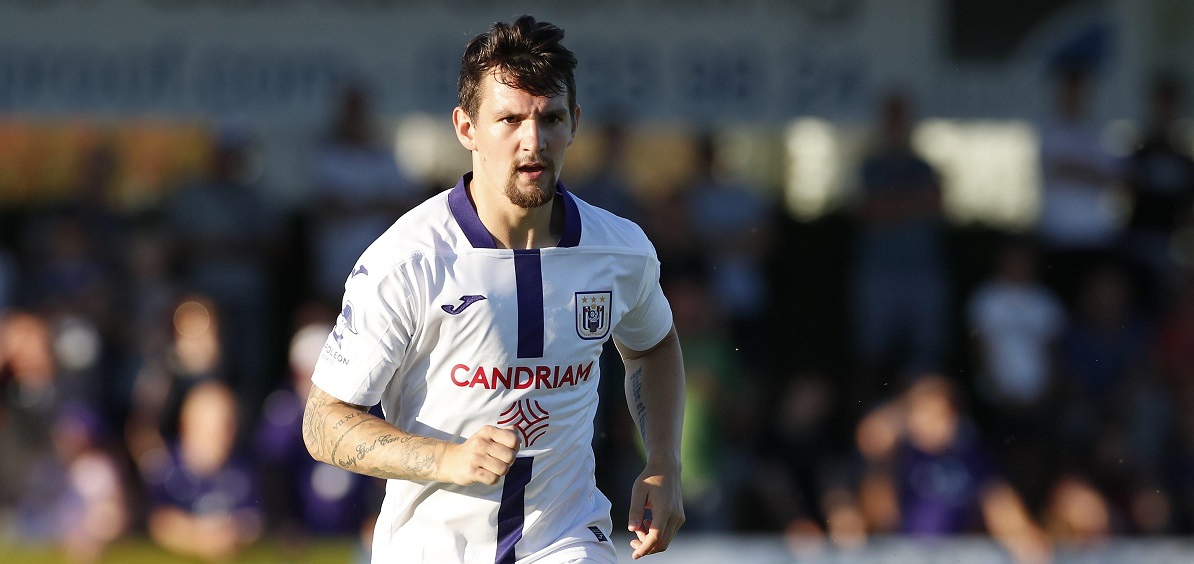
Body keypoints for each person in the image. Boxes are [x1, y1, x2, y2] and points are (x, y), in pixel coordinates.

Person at [302, 15, 686, 563]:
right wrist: (445, 459)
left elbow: (653, 346)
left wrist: (664, 463)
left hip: (567, 540)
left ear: (575, 123)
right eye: (509, 120)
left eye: (550, 118)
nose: (534, 141)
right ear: (466, 129)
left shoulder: (619, 251)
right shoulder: (407, 260)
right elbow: (323, 423)